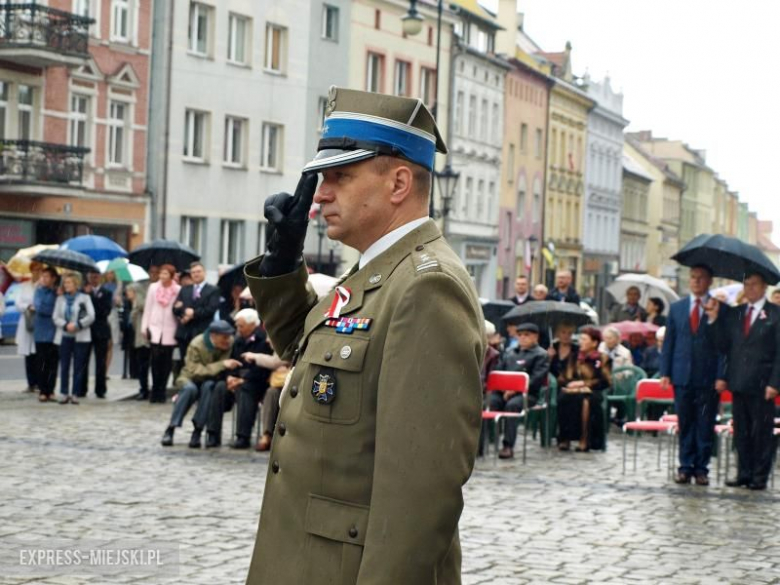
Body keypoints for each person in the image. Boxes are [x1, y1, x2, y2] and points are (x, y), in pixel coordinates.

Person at [243, 86, 484, 584]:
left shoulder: (425, 285)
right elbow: (306, 355)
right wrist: (284, 260)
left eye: (340, 176)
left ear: (399, 183)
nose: (321, 193)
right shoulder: (375, 273)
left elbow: (421, 494)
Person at [704, 271, 780, 491]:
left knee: (762, 432)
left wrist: (775, 383)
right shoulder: (736, 313)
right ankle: (743, 473)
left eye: (754, 285)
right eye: (746, 285)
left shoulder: (775, 314)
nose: (750, 289)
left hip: (763, 383)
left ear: (764, 287)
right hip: (739, 380)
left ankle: (759, 476)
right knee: (742, 431)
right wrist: (714, 319)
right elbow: (723, 345)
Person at [660, 265, 726, 485]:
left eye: (701, 278)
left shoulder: (718, 308)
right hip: (682, 375)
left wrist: (721, 375)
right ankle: (685, 466)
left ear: (709, 282)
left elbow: (723, 346)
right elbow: (669, 342)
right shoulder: (677, 308)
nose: (696, 281)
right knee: (685, 422)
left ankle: (701, 468)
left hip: (707, 377)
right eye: (693, 278)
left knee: (705, 424)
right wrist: (665, 372)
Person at [160, 320, 240, 448]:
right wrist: (221, 365)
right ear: (213, 336)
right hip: (190, 378)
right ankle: (171, 428)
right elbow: (194, 370)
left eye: (229, 336)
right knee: (189, 390)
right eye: (224, 337)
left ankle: (197, 430)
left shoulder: (229, 344)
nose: (228, 340)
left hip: (209, 380)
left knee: (208, 388)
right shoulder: (197, 344)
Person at [206, 309, 275, 449]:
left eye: (241, 326)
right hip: (238, 380)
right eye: (237, 326)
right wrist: (230, 377)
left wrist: (244, 380)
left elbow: (264, 368)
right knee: (219, 387)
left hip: (257, 383)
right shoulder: (238, 341)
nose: (238, 329)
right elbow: (233, 362)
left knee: (245, 389)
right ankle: (213, 433)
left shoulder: (264, 340)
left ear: (252, 325)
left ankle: (243, 435)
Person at [490, 322, 550, 459]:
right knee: (489, 402)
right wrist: (504, 388)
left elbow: (536, 379)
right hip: (504, 392)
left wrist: (515, 390)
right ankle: (482, 444)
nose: (522, 338)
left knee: (513, 405)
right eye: (520, 335)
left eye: (527, 335)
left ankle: (507, 446)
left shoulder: (541, 355)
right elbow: (498, 371)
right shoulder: (510, 353)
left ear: (536, 337)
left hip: (527, 394)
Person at [556, 327, 610, 452]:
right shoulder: (574, 357)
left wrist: (585, 384)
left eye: (584, 339)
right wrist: (573, 385)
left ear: (594, 343)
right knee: (563, 398)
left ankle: (585, 439)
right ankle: (565, 438)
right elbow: (564, 377)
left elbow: (605, 381)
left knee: (586, 401)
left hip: (594, 391)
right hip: (573, 391)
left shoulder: (603, 358)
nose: (580, 342)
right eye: (580, 339)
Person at [53, 273, 95, 405]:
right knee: (64, 366)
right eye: (65, 283)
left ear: (76, 284)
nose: (67, 285)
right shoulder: (60, 299)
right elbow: (55, 317)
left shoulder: (84, 298)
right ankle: (64, 393)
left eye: (69, 282)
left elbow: (91, 315)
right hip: (64, 336)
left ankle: (75, 393)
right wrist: (66, 325)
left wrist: (77, 325)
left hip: (80, 336)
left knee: (79, 366)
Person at [141, 264, 181, 403]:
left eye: (165, 274)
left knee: (166, 362)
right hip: (155, 327)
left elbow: (178, 309)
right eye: (161, 274)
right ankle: (155, 390)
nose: (162, 277)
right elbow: (148, 308)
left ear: (171, 275)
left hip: (170, 328)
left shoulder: (177, 289)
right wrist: (144, 326)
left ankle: (162, 389)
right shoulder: (153, 288)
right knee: (155, 361)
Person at [172, 261, 220, 376]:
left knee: (200, 362)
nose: (196, 274)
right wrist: (183, 313)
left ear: (204, 273)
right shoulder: (185, 289)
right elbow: (176, 308)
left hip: (201, 332)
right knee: (185, 362)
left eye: (198, 271)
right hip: (185, 333)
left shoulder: (213, 290)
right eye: (193, 272)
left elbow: (211, 309)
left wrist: (193, 313)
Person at [80, 270, 112, 398]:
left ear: (100, 277)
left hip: (101, 330)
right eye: (91, 275)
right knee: (83, 361)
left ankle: (100, 389)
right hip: (86, 330)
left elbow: (104, 311)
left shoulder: (106, 293)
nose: (93, 278)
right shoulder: (82, 292)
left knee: (101, 362)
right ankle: (82, 388)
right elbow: (81, 311)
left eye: (96, 276)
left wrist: (91, 298)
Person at [14, 260, 42, 393]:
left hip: (39, 321)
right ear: (31, 271)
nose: (37, 272)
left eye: (39, 270)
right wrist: (27, 306)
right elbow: (17, 303)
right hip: (26, 320)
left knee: (38, 353)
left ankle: (38, 382)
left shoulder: (42, 286)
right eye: (35, 270)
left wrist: (35, 306)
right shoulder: (24, 286)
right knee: (28, 354)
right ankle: (30, 383)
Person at [33, 267, 59, 402]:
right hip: (40, 332)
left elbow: (58, 308)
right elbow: (39, 307)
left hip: (54, 332)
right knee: (41, 363)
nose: (44, 279)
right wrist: (51, 308)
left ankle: (51, 390)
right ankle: (43, 391)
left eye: (47, 276)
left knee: (53, 363)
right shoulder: (38, 291)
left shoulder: (57, 292)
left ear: (54, 278)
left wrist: (51, 305)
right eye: (42, 276)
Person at [126, 284, 151, 400]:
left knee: (144, 365)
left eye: (130, 292)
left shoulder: (141, 304)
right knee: (140, 365)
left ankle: (145, 389)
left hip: (144, 339)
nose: (128, 295)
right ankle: (143, 387)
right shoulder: (132, 304)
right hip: (135, 337)